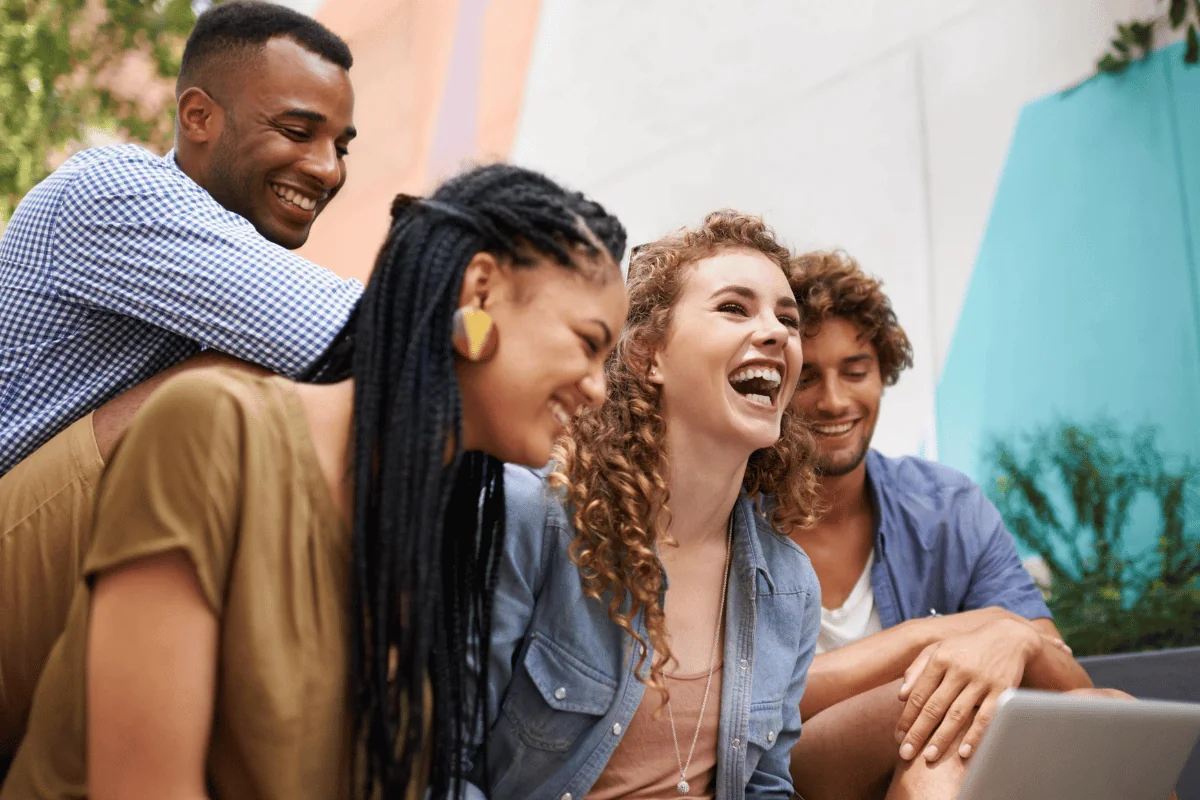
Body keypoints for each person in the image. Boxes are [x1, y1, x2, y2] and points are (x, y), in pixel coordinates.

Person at [0, 163, 630, 800]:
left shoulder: (422, 546)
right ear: (480, 292)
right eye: (587, 343)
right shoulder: (214, 431)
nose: (598, 388)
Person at [0, 0, 362, 753]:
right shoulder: (115, 190)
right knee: (236, 387)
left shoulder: (224, 256)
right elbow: (351, 335)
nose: (328, 170)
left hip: (67, 587)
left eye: (341, 145)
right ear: (198, 115)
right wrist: (501, 322)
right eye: (298, 132)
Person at [467, 211, 822, 800]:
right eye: (735, 308)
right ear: (647, 356)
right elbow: (434, 765)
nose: (776, 332)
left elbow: (765, 787)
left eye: (788, 319)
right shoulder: (530, 517)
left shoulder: (789, 586)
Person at [784, 250, 1094, 799]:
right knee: (947, 707)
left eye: (856, 371)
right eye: (807, 377)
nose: (834, 401)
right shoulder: (736, 517)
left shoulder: (944, 504)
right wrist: (936, 635)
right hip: (797, 766)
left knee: (1106, 712)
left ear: (882, 375)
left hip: (930, 752)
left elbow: (1066, 678)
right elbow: (746, 699)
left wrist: (1007, 635)